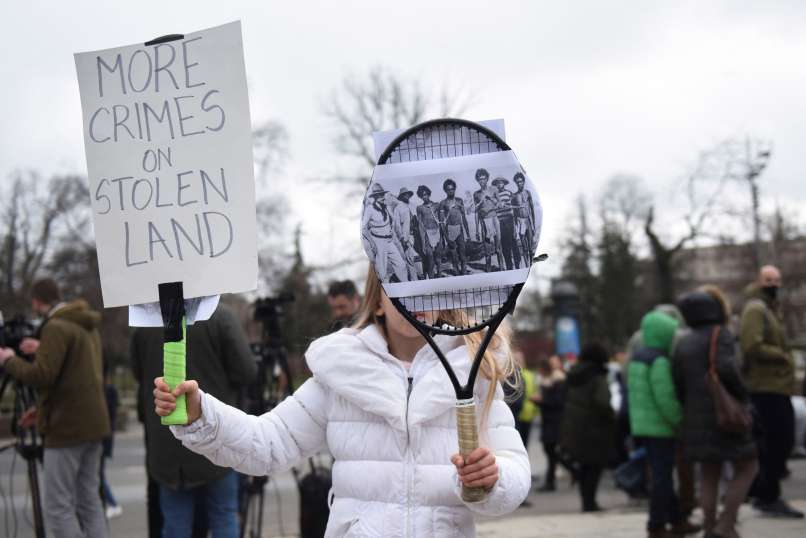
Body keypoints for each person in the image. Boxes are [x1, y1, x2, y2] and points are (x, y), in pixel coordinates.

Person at [155, 266, 531, 536]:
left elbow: (514, 471)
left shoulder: (476, 372)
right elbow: (267, 444)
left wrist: (492, 477)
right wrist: (202, 415)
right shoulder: (340, 371)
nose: (414, 296)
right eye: (400, 280)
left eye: (428, 285)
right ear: (378, 299)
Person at [131, 303, 258, 538]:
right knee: (224, 517)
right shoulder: (220, 317)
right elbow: (247, 372)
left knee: (175, 524)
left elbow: (138, 373)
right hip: (216, 436)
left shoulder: (146, 320)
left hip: (166, 443)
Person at [0, 279, 110, 538]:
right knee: (89, 501)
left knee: (57, 506)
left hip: (66, 429)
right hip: (94, 424)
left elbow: (41, 375)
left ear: (37, 301)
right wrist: (41, 409)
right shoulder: (84, 325)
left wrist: (9, 360)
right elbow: (77, 376)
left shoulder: (56, 328)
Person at [673, 288, 758, 538]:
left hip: (694, 418)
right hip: (725, 415)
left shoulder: (683, 341)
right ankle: (726, 524)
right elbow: (727, 369)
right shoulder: (720, 335)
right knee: (748, 466)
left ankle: (710, 528)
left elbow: (678, 381)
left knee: (709, 473)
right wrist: (743, 395)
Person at [628, 311, 700, 538]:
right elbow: (665, 398)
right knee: (663, 478)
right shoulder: (659, 361)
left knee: (661, 475)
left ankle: (677, 520)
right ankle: (656, 525)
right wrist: (679, 421)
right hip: (661, 428)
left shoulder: (637, 357)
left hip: (643, 426)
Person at [739, 265, 803, 518]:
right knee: (779, 440)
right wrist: (785, 356)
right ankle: (767, 495)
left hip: (775, 386)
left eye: (777, 279)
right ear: (759, 281)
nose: (774, 284)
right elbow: (751, 346)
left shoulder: (769, 308)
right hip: (765, 387)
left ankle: (764, 492)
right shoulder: (756, 309)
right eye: (769, 280)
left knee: (779, 441)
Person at [559, 342, 614, 512]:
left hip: (574, 426)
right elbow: (603, 402)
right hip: (594, 427)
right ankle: (590, 502)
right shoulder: (598, 376)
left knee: (583, 465)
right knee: (594, 466)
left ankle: (586, 501)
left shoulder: (573, 374)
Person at [362, 183, 408, 283]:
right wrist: (372, 243)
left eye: (382, 194)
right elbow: (363, 228)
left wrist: (391, 230)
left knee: (401, 264)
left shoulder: (386, 207)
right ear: (374, 197)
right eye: (378, 195)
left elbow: (391, 220)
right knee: (382, 272)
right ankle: (387, 292)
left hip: (389, 241)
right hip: (378, 242)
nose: (382, 197)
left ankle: (406, 286)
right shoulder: (370, 209)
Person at [533, 355, 566, 493]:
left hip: (554, 420)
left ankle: (551, 481)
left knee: (551, 450)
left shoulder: (557, 381)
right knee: (550, 451)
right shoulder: (548, 381)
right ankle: (551, 480)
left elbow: (557, 402)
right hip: (549, 420)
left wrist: (541, 400)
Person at [101, 362, 122, 519]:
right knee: (97, 476)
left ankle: (113, 503)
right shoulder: (110, 391)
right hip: (104, 438)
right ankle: (112, 503)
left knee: (97, 476)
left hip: (102, 439)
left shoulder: (107, 391)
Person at [438, 178, 471, 276]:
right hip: (450, 229)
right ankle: (456, 272)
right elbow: (442, 222)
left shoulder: (459, 201)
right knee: (453, 254)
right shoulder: (443, 203)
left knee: (462, 253)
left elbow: (464, 218)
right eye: (448, 189)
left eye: (452, 189)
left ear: (455, 189)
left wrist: (468, 234)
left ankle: (464, 271)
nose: (450, 191)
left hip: (459, 228)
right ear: (445, 190)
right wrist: (446, 238)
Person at [472, 168, 503, 271]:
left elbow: (500, 204)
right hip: (484, 222)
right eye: (480, 179)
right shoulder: (476, 194)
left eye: (484, 179)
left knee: (499, 248)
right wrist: (477, 230)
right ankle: (489, 271)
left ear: (487, 179)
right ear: (477, 180)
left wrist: (491, 203)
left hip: (494, 220)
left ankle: (502, 269)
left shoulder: (493, 189)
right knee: (487, 250)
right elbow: (476, 213)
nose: (482, 181)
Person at [415, 185, 444, 278]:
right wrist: (423, 243)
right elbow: (420, 225)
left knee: (438, 259)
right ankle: (432, 279)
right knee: (430, 259)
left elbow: (441, 221)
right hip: (427, 234)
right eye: (422, 195)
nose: (425, 196)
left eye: (426, 194)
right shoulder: (420, 208)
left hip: (437, 233)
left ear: (429, 194)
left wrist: (443, 237)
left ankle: (439, 277)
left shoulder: (437, 205)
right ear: (420, 196)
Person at [392, 187, 419, 280]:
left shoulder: (413, 206)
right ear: (401, 196)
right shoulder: (398, 209)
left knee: (421, 256)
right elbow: (397, 225)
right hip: (407, 237)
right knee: (410, 259)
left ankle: (423, 276)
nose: (406, 196)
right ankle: (414, 281)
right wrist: (402, 238)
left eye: (408, 194)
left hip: (417, 236)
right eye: (404, 194)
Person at [510, 172, 536, 266]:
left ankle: (532, 265)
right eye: (517, 182)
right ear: (515, 183)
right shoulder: (514, 196)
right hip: (520, 222)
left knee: (530, 246)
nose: (519, 183)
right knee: (524, 246)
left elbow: (532, 209)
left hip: (527, 220)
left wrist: (533, 225)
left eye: (520, 181)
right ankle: (526, 265)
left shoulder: (528, 193)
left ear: (524, 182)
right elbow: (514, 213)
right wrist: (516, 227)